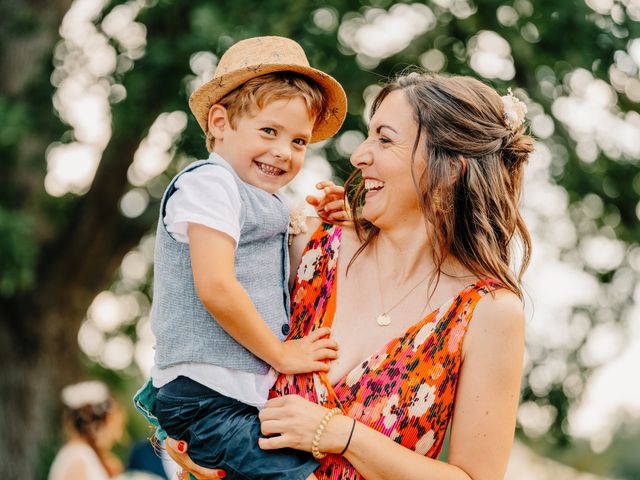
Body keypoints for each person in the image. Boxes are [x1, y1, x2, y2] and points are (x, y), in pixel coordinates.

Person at [165, 71, 534, 480]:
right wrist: (186, 436)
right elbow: (199, 317)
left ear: (448, 170)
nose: (359, 155)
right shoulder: (308, 245)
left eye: (385, 138)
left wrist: (341, 434)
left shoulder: (488, 312)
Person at [133, 36, 348, 480]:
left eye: (299, 141)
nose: (283, 152)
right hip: (203, 396)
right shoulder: (209, 183)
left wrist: (337, 220)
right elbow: (216, 286)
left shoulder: (268, 201)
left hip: (237, 397)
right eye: (268, 131)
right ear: (220, 122)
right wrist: (282, 355)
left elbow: (299, 272)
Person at [48, 380, 125, 480]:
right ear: (98, 426)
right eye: (113, 426)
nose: (115, 436)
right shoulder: (78, 458)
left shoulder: (83, 454)